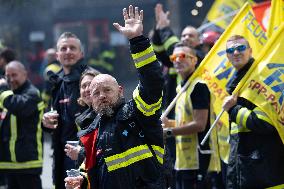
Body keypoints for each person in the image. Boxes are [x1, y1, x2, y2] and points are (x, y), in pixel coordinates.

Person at [65, 5, 165, 189]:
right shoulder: (92, 132)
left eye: (107, 90)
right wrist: (82, 181)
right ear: (90, 99)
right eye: (96, 93)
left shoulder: (138, 113)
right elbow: (96, 172)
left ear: (120, 90)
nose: (101, 95)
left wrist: (137, 40)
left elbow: (152, 83)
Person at [222, 35, 284, 188]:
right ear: (227, 56)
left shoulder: (261, 78)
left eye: (240, 48)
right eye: (231, 50)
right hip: (245, 172)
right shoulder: (234, 83)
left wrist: (233, 110)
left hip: (265, 173)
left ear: (250, 51)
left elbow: (265, 123)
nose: (236, 52)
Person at [42, 32, 91, 189]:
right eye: (63, 48)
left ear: (81, 53)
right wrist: (45, 123)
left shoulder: (90, 78)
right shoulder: (57, 81)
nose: (68, 51)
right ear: (57, 55)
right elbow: (54, 118)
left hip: (85, 155)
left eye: (72, 48)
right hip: (61, 154)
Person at [162, 42, 212, 189]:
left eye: (183, 56)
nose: (177, 60)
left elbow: (200, 124)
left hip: (198, 159)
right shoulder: (182, 87)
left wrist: (169, 132)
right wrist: (169, 123)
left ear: (194, 60)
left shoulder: (199, 86)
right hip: (183, 160)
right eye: (174, 57)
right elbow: (184, 122)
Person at [0, 61, 44, 189]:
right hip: (8, 163)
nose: (11, 79)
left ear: (25, 74)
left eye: (14, 75)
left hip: (28, 163)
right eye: (7, 76)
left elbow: (18, 106)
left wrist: (2, 90)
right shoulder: (7, 95)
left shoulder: (32, 93)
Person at [64, 68, 100, 164]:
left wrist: (81, 153)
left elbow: (105, 150)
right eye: (83, 86)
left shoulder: (106, 114)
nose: (87, 89)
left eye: (91, 84)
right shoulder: (82, 119)